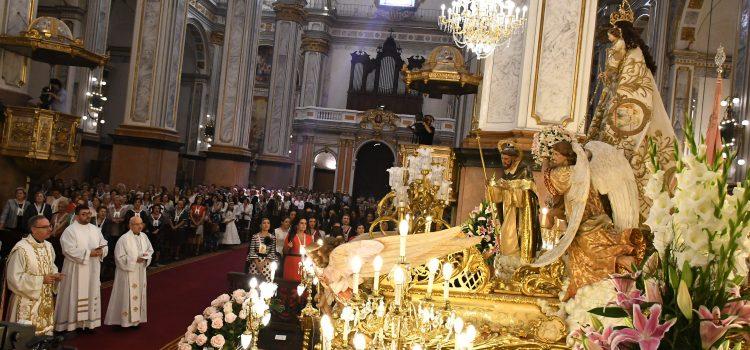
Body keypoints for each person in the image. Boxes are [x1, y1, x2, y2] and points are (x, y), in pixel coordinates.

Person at [586, 0, 676, 219]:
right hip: (619, 102)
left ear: (619, 33)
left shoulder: (630, 54)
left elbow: (628, 84)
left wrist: (609, 77)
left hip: (629, 113)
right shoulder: (632, 53)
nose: (610, 43)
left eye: (611, 37)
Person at [532, 140, 643, 300]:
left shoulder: (567, 172)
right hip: (589, 219)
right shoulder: (578, 171)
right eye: (552, 154)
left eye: (556, 154)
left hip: (586, 221)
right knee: (582, 253)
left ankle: (619, 259)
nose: (553, 157)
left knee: (590, 250)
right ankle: (586, 287)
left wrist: (543, 157)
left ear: (566, 157)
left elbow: (546, 177)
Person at [6, 215, 63, 335]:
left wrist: (55, 275)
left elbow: (51, 266)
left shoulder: (48, 246)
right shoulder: (21, 249)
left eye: (50, 226)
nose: (49, 229)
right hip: (26, 301)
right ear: (33, 229)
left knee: (43, 335)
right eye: (45, 227)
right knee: (24, 338)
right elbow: (13, 279)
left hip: (45, 300)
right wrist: (41, 280)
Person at [55, 205, 109, 332]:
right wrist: (88, 253)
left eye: (88, 214)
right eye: (84, 214)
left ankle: (89, 323)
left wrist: (102, 250)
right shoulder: (70, 230)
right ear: (77, 215)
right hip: (76, 269)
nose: (87, 216)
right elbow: (68, 250)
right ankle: (73, 324)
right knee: (74, 293)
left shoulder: (95, 229)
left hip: (93, 268)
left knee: (91, 292)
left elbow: (104, 244)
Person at [104, 216, 153, 328]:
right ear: (130, 225)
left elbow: (150, 250)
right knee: (126, 295)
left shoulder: (144, 236)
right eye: (136, 224)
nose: (140, 226)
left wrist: (146, 257)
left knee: (139, 293)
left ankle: (136, 321)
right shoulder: (123, 239)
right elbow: (119, 257)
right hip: (127, 272)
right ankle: (122, 321)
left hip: (140, 270)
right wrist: (134, 259)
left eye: (141, 223)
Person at [1, 187, 31, 257]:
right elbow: (4, 213)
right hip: (11, 227)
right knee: (7, 245)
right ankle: (4, 259)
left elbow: (29, 216)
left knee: (19, 245)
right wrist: (1, 224)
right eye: (17, 193)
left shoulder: (28, 203)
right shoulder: (10, 202)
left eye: (21, 193)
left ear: (24, 195)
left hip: (22, 229)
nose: (19, 194)